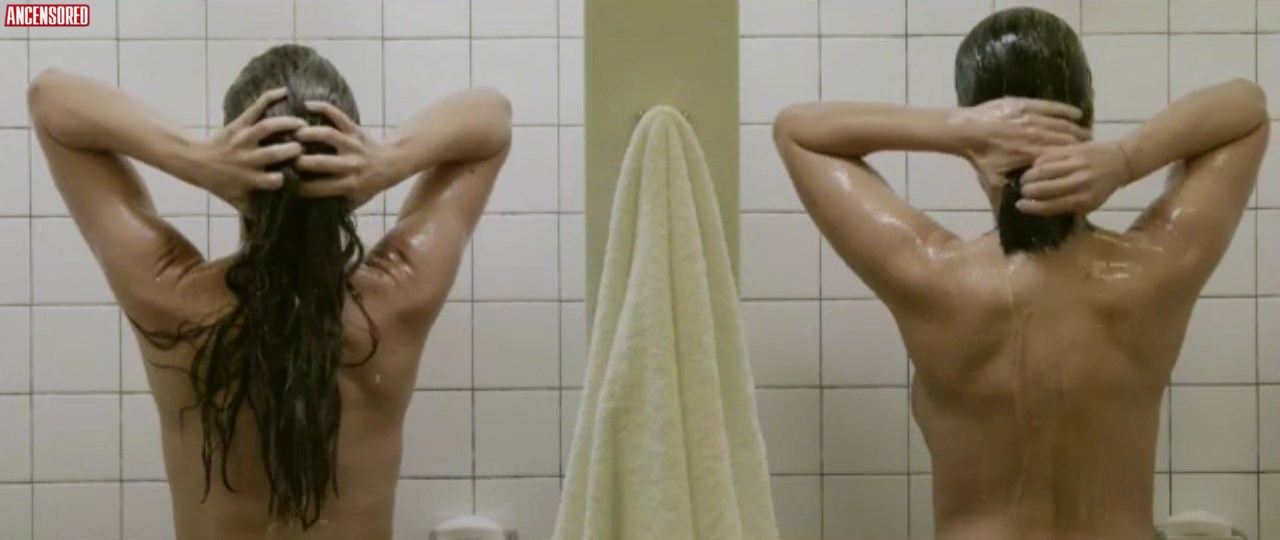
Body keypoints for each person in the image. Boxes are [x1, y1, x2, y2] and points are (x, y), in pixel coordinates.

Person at [774, 7, 1268, 540]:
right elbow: (1248, 109)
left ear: (976, 143)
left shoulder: (932, 278)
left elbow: (797, 131)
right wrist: (1126, 158)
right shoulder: (1154, 269)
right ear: (1087, 121)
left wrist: (957, 129)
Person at [27, 44, 512, 539]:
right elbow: (493, 118)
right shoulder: (397, 296)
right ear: (349, 157)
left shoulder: (170, 298)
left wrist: (196, 159)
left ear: (236, 166)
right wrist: (386, 160)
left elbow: (50, 99)